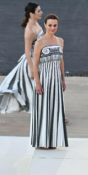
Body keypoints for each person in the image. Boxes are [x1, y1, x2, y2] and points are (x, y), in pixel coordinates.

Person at [0, 2, 44, 121]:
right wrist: (31, 69)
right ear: (31, 14)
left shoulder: (36, 24)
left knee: (21, 89)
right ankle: (50, 115)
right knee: (33, 90)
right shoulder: (29, 30)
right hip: (31, 63)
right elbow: (27, 51)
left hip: (38, 61)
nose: (41, 13)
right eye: (39, 11)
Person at [31, 14, 67, 149]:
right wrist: (38, 83)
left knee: (55, 108)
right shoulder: (39, 43)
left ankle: (52, 141)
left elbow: (61, 61)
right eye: (50, 25)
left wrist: (63, 79)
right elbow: (35, 64)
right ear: (45, 25)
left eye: (55, 25)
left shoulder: (60, 41)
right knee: (44, 108)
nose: (52, 28)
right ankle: (42, 141)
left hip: (56, 79)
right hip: (44, 78)